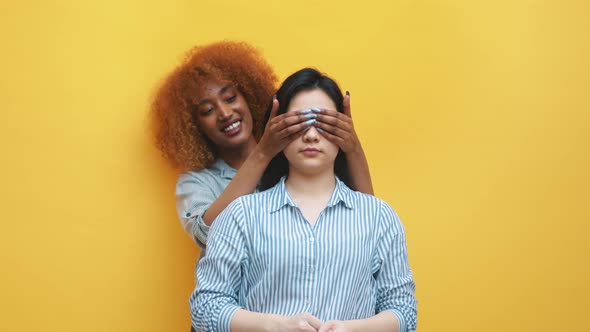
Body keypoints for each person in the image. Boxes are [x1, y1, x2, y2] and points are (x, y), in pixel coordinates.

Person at [191, 68, 417, 332]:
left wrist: (351, 329)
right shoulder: (241, 215)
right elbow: (205, 307)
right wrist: (275, 325)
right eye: (300, 123)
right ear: (279, 129)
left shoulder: (379, 217)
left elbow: (404, 313)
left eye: (324, 124)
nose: (311, 135)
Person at [150, 41, 373, 252]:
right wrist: (263, 152)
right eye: (207, 111)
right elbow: (209, 235)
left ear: (249, 95)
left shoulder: (294, 154)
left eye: (230, 98)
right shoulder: (197, 181)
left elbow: (367, 221)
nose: (225, 114)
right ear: (192, 126)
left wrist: (352, 146)